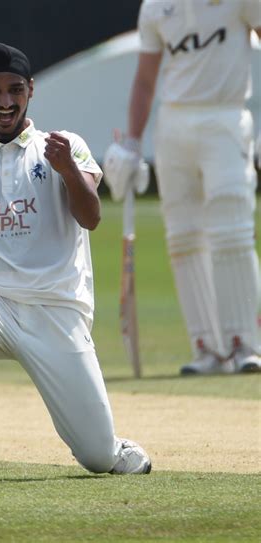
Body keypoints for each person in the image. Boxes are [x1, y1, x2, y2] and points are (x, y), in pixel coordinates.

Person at [0, 42, 151, 482]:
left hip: (55, 308)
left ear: (30, 90)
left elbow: (92, 217)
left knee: (97, 458)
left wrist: (66, 169)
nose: (4, 102)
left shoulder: (64, 146)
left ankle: (110, 445)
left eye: (14, 90)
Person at [104, 0, 261, 375]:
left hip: (225, 117)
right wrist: (132, 142)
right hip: (174, 124)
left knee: (231, 231)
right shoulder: (157, 6)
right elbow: (145, 79)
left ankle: (245, 344)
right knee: (183, 237)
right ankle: (207, 347)